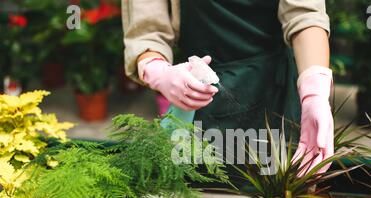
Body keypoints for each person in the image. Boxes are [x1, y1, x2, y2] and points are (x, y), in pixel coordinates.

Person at [122, 0, 334, 173]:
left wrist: (315, 92)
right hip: (201, 96)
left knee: (274, 197)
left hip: (274, 98)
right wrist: (159, 71)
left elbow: (305, 15)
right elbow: (146, 32)